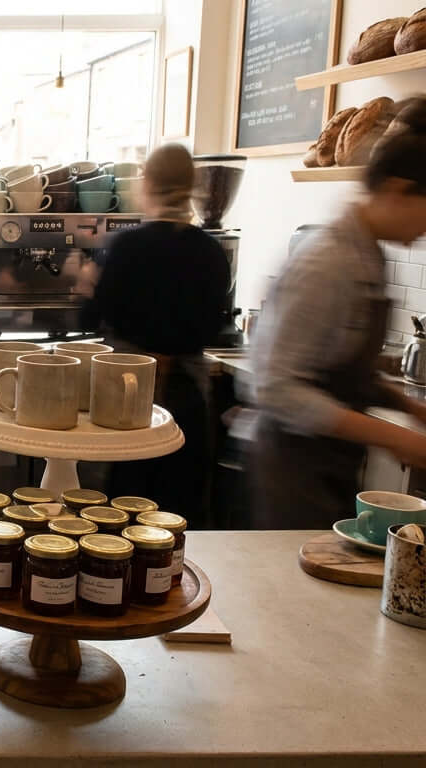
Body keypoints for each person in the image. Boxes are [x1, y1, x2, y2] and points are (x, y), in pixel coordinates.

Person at [252, 105, 426, 529]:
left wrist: (405, 405)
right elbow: (275, 386)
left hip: (329, 462)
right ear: (399, 190)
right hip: (292, 468)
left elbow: (341, 370)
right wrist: (394, 436)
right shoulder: (328, 260)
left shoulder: (368, 255)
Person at [82, 144, 230, 527]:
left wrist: (84, 283)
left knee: (117, 520)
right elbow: (213, 328)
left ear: (146, 184)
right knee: (177, 518)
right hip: (187, 398)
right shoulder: (211, 251)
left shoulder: (125, 246)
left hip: (127, 399)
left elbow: (90, 318)